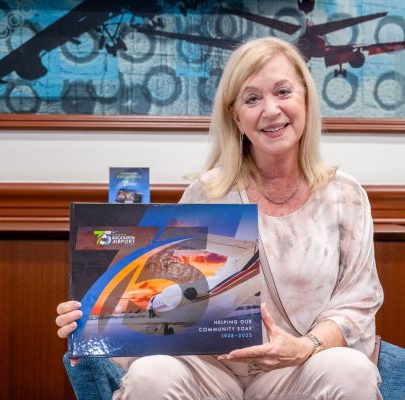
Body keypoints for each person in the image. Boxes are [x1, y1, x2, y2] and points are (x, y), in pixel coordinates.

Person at [56, 36, 384, 400]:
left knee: (352, 370)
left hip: (299, 366)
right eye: (252, 99)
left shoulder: (345, 196)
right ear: (236, 116)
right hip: (209, 370)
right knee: (151, 374)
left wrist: (305, 346)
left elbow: (358, 303)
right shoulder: (205, 193)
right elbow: (163, 297)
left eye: (283, 91)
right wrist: (93, 325)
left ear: (305, 98)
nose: (270, 110)